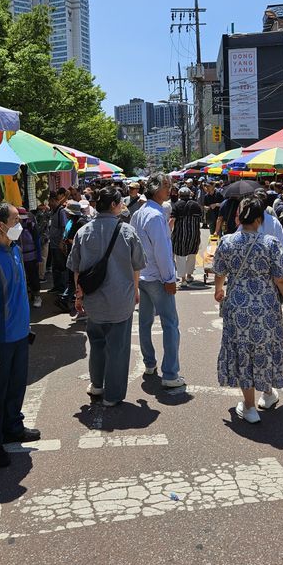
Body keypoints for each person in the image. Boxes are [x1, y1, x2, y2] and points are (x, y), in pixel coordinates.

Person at [213, 197, 283, 424]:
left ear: (239, 218)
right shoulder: (271, 244)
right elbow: (281, 279)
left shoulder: (227, 242)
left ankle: (250, 406)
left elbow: (219, 271)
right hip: (266, 306)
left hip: (237, 305)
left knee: (242, 351)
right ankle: (268, 393)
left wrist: (219, 290)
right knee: (264, 348)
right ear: (260, 219)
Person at [0, 201, 40, 468]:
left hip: (20, 334)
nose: (20, 225)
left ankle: (13, 426)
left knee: (16, 386)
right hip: (0, 339)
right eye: (15, 221)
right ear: (1, 225)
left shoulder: (13, 249)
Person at [68, 187, 146, 406]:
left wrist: (78, 294)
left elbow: (75, 268)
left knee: (97, 343)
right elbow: (137, 266)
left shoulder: (83, 232)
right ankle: (112, 396)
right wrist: (136, 290)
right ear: (113, 205)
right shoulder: (127, 231)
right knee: (118, 349)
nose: (122, 205)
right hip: (121, 300)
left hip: (93, 299)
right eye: (120, 202)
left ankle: (97, 385)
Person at [130, 173, 186, 388]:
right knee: (170, 324)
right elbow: (162, 250)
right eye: (166, 185)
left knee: (145, 322)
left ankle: (149, 363)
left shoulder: (140, 213)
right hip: (156, 276)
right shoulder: (155, 214)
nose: (169, 188)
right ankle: (170, 374)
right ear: (157, 188)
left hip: (142, 275)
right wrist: (169, 278)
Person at [172, 186, 203, 287]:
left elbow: (172, 220)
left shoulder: (177, 205)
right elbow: (200, 218)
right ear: (190, 194)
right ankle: (189, 275)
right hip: (194, 234)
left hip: (181, 235)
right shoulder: (196, 205)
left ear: (179, 195)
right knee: (192, 255)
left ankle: (183, 279)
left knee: (180, 256)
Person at [18, 208, 42, 308]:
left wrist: (39, 258)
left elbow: (37, 241)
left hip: (31, 256)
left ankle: (37, 296)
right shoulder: (13, 227)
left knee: (33, 277)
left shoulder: (30, 225)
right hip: (19, 258)